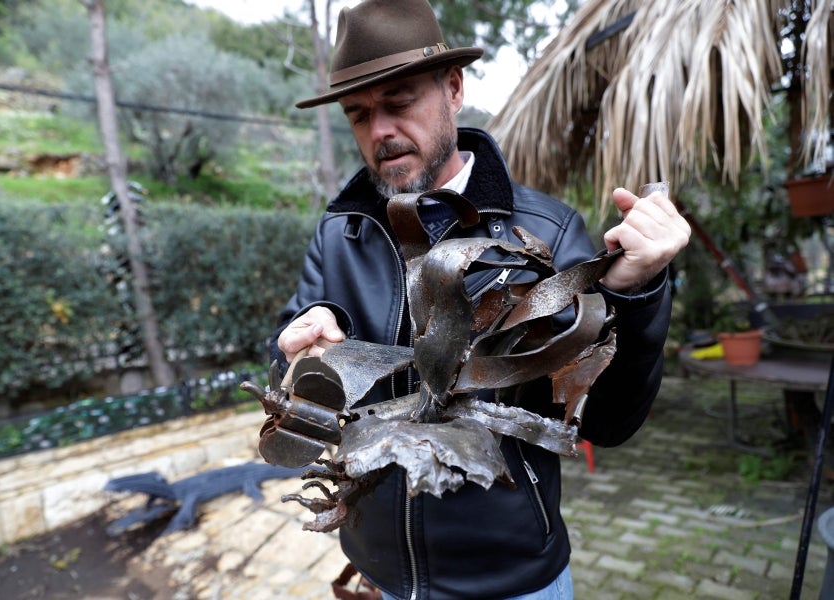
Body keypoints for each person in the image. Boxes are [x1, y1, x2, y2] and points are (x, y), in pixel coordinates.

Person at [272, 1, 691, 598]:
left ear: (453, 88)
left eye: (398, 103)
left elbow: (607, 421)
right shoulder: (341, 234)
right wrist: (302, 346)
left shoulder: (546, 230)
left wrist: (637, 292)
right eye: (359, 115)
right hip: (381, 576)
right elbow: (292, 363)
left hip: (512, 578)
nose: (380, 132)